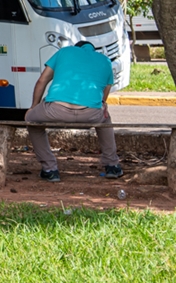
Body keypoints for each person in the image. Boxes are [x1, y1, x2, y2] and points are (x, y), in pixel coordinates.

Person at [26, 41, 123, 182]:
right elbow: (104, 95)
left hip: (55, 110)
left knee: (32, 120)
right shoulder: (105, 60)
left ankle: (50, 169)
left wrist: (34, 107)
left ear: (76, 48)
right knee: (105, 118)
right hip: (90, 114)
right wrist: (101, 105)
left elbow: (42, 81)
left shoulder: (64, 52)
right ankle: (112, 165)